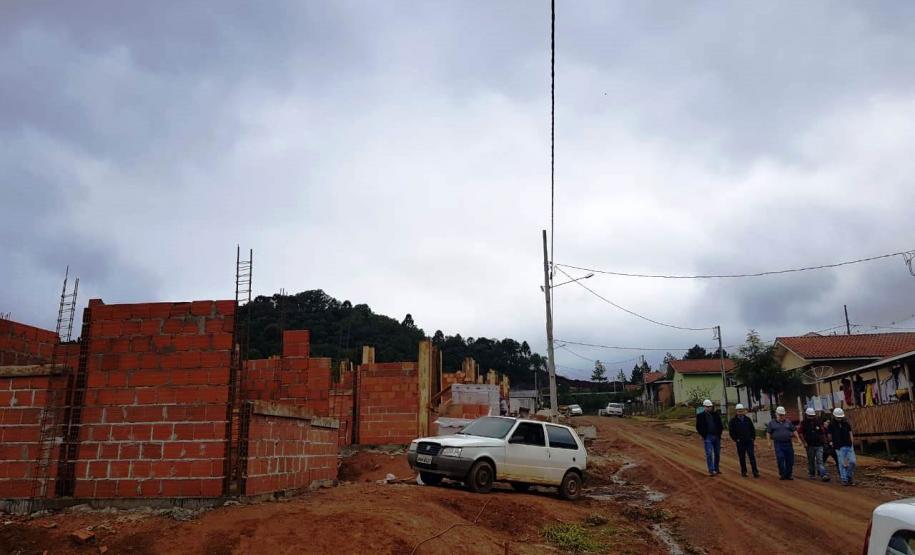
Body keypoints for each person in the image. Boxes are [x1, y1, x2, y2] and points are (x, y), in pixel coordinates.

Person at [766, 406, 801, 480]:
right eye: (780, 415)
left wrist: (798, 439)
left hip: (788, 443)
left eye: (783, 415)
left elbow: (794, 430)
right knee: (780, 458)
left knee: (790, 459)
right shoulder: (772, 423)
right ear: (776, 414)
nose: (781, 416)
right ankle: (782, 474)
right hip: (778, 444)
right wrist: (769, 442)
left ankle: (789, 474)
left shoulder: (788, 422)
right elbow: (768, 432)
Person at [728, 403, 759, 478]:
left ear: (743, 411)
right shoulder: (733, 421)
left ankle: (755, 471)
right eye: (739, 411)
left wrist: (753, 438)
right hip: (740, 442)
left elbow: (752, 429)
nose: (740, 412)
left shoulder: (747, 419)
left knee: (751, 456)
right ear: (736, 411)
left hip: (749, 441)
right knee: (742, 457)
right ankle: (744, 471)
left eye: (741, 410)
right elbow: (731, 432)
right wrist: (736, 439)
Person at [800, 407, 830, 482]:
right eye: (809, 416)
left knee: (820, 460)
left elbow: (822, 432)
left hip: (819, 445)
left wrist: (825, 442)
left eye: (812, 416)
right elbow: (800, 433)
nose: (811, 417)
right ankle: (812, 474)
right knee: (811, 460)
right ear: (806, 415)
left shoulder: (818, 422)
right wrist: (804, 442)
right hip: (809, 445)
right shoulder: (803, 423)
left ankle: (823, 474)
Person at [695, 399, 723, 476]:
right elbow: (698, 427)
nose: (709, 408)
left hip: (716, 436)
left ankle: (716, 468)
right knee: (709, 453)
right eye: (707, 407)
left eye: (710, 406)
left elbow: (720, 425)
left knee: (717, 453)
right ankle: (711, 470)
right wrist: (703, 435)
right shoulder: (700, 416)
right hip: (708, 436)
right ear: (704, 407)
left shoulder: (715, 415)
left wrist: (719, 434)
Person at [830, 407, 857, 486]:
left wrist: (852, 442)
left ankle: (849, 476)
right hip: (839, 446)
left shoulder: (846, 423)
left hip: (848, 445)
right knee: (842, 463)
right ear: (834, 416)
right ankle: (844, 479)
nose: (839, 419)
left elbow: (850, 433)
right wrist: (831, 442)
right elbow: (830, 435)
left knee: (853, 462)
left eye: (840, 417)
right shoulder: (831, 425)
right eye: (838, 417)